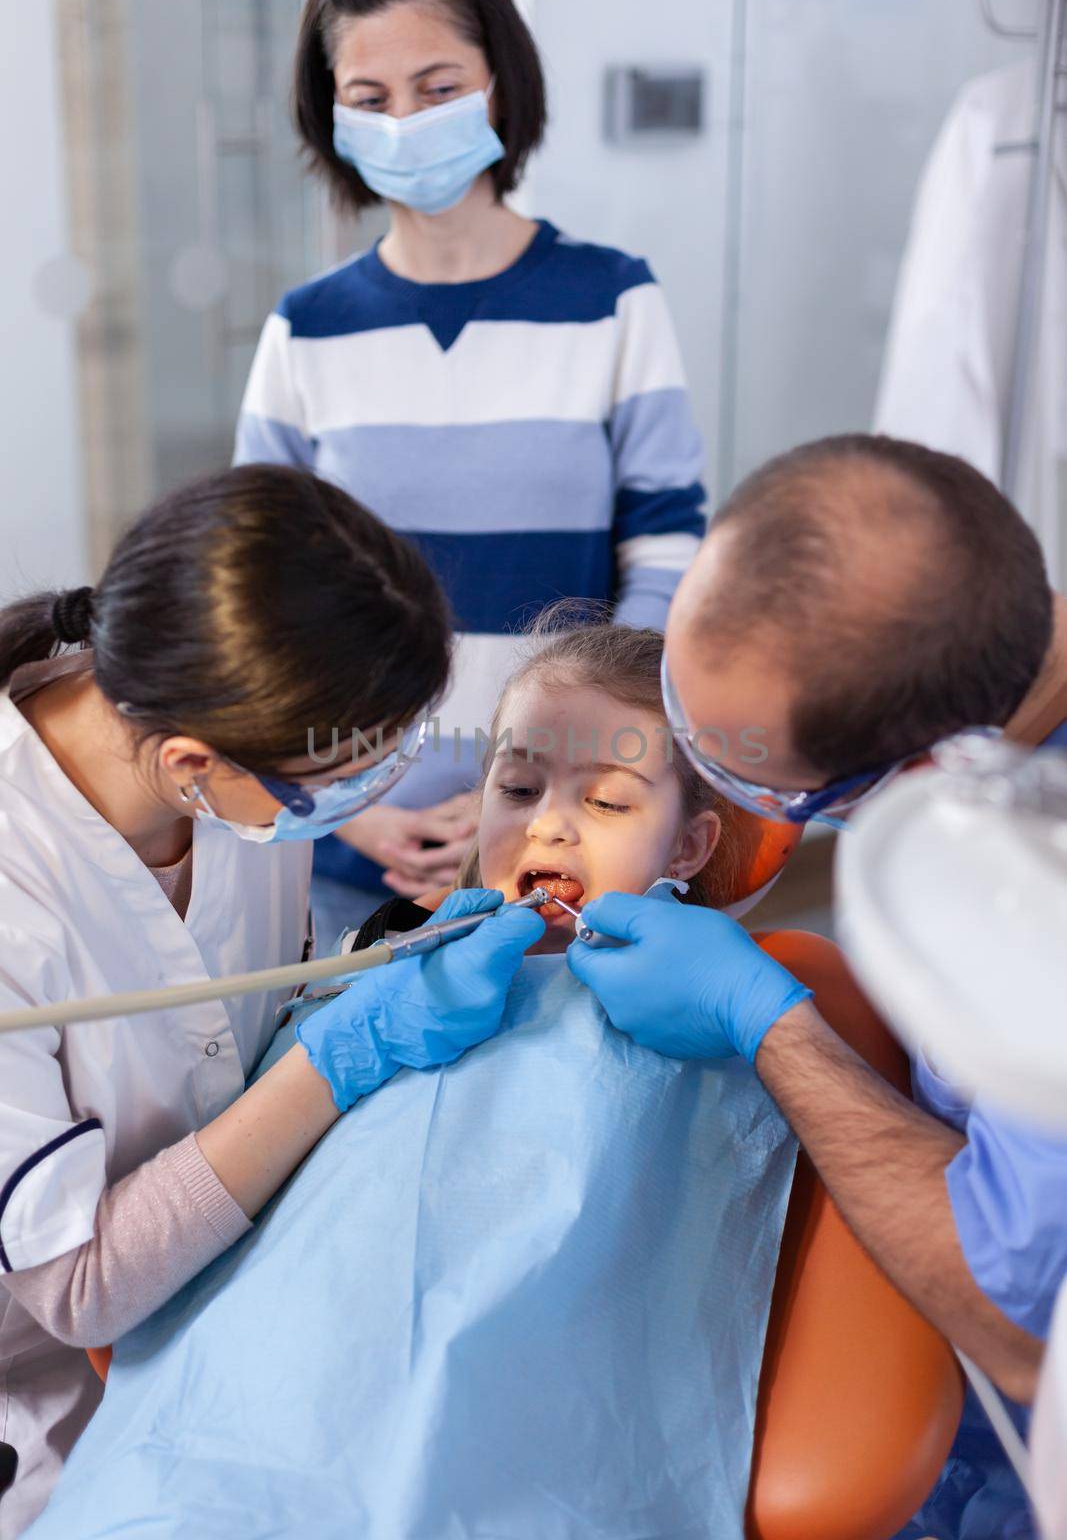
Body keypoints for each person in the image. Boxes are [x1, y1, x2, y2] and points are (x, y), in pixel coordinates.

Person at [25, 621, 799, 1540]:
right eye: (516, 787)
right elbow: (126, 1271)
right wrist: (363, 1005)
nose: (547, 822)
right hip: (244, 1420)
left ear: (687, 847)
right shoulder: (372, 975)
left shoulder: (711, 1016)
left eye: (607, 803)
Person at [0, 464, 543, 1536]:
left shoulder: (220, 784)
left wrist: (368, 967)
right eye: (341, 781)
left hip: (222, 1289)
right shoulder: (19, 890)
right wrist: (335, 1053)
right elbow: (80, 1289)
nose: (361, 802)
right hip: (43, 1381)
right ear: (192, 763)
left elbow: (234, 1020)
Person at [566, 433, 1067, 1539]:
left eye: (738, 768)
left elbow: (1017, 1324)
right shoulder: (955, 611)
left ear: (927, 771)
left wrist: (769, 1029)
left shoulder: (1043, 910)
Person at [234, 0, 706, 938]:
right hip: (351, 838)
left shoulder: (610, 301)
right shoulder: (305, 330)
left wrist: (541, 797)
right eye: (367, 95)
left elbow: (666, 551)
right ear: (331, 114)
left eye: (434, 85)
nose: (401, 122)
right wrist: (355, 813)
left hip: (562, 843)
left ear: (496, 84)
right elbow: (259, 601)